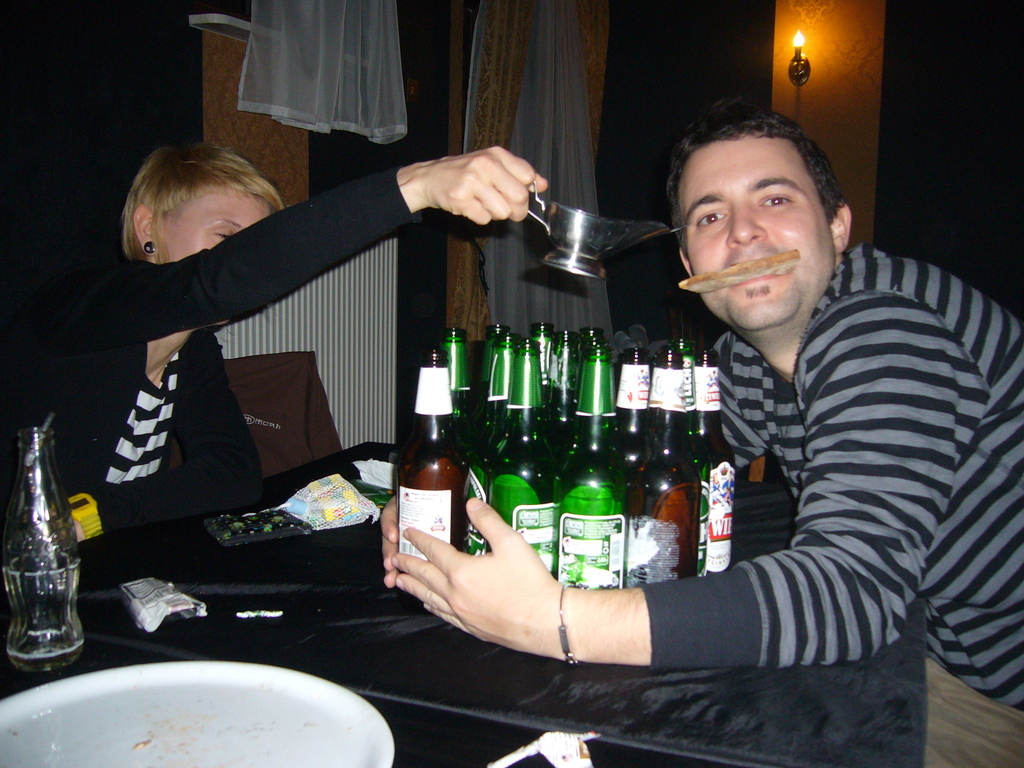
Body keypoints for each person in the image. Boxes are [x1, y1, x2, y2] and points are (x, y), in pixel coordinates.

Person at [381, 100, 1024, 762]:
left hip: (993, 694)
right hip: (922, 644)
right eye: (711, 216)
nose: (743, 233)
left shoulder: (884, 327)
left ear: (837, 227)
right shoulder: (748, 359)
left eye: (774, 199)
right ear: (689, 262)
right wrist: (445, 496)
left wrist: (549, 620)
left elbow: (848, 594)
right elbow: (629, 459)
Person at [0, 143, 547, 539]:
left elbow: (233, 475)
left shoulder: (192, 350)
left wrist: (96, 513)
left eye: (253, 243)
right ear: (148, 227)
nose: (240, 258)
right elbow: (217, 280)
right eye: (226, 237)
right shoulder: (77, 303)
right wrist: (417, 185)